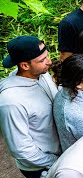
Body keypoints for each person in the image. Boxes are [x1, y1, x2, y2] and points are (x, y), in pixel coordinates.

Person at [0, 36, 61, 178]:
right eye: (42, 60)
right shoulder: (11, 102)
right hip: (40, 168)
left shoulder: (40, 73)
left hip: (58, 155)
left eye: (47, 56)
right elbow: (21, 149)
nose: (49, 62)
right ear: (25, 66)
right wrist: (57, 161)